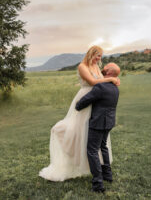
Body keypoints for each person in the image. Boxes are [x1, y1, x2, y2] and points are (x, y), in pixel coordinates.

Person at [39, 46, 119, 181]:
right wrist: (110, 80)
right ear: (91, 53)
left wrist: (114, 78)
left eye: (101, 56)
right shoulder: (82, 66)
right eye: (97, 55)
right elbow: (93, 82)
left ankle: (96, 168)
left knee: (92, 133)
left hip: (96, 100)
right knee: (77, 129)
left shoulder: (96, 67)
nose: (99, 58)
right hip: (86, 98)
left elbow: (102, 80)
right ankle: (76, 160)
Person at [75, 63, 120, 193]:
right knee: (103, 146)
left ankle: (98, 184)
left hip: (98, 122)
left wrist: (77, 106)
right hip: (109, 122)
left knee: (92, 151)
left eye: (106, 67)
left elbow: (85, 101)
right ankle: (108, 175)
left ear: (109, 72)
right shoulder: (114, 87)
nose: (103, 68)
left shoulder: (101, 87)